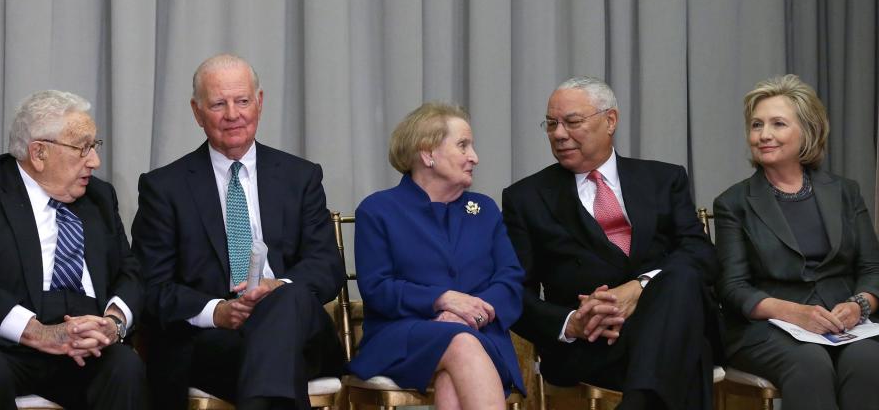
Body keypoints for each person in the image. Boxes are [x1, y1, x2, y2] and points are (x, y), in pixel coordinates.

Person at [131, 54, 345, 410]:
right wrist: (217, 311)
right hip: (213, 340)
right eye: (218, 104)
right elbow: (152, 287)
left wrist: (277, 289)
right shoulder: (164, 188)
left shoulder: (300, 177)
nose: (233, 114)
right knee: (271, 363)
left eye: (242, 101)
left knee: (286, 299)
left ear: (259, 103)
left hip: (302, 333)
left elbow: (326, 265)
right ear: (197, 112)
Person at [502, 76, 720, 410]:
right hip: (593, 345)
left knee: (682, 277)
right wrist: (570, 322)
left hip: (670, 322)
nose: (559, 134)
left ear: (610, 121)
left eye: (572, 122)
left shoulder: (663, 179)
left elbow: (703, 254)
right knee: (690, 355)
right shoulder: (526, 198)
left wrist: (640, 287)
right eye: (551, 124)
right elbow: (515, 293)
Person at [0, 90, 146, 409]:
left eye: (94, 146)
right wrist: (36, 331)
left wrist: (113, 322)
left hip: (83, 346)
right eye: (82, 148)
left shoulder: (99, 197)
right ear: (39, 153)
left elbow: (130, 270)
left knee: (125, 367)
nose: (94, 161)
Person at [714, 74, 879, 410]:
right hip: (766, 328)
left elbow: (871, 268)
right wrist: (794, 313)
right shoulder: (734, 203)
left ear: (807, 131)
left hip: (844, 322)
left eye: (778, 124)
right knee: (810, 363)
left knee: (868, 361)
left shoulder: (846, 192)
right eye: (757, 125)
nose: (764, 135)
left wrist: (859, 305)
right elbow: (732, 287)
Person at [348, 103, 526, 410]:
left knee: (454, 371)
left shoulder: (484, 210)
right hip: (402, 335)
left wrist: (467, 314)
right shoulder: (378, 210)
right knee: (460, 344)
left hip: (479, 331)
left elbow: (510, 280)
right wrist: (441, 299)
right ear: (428, 153)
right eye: (463, 146)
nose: (475, 157)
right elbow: (378, 289)